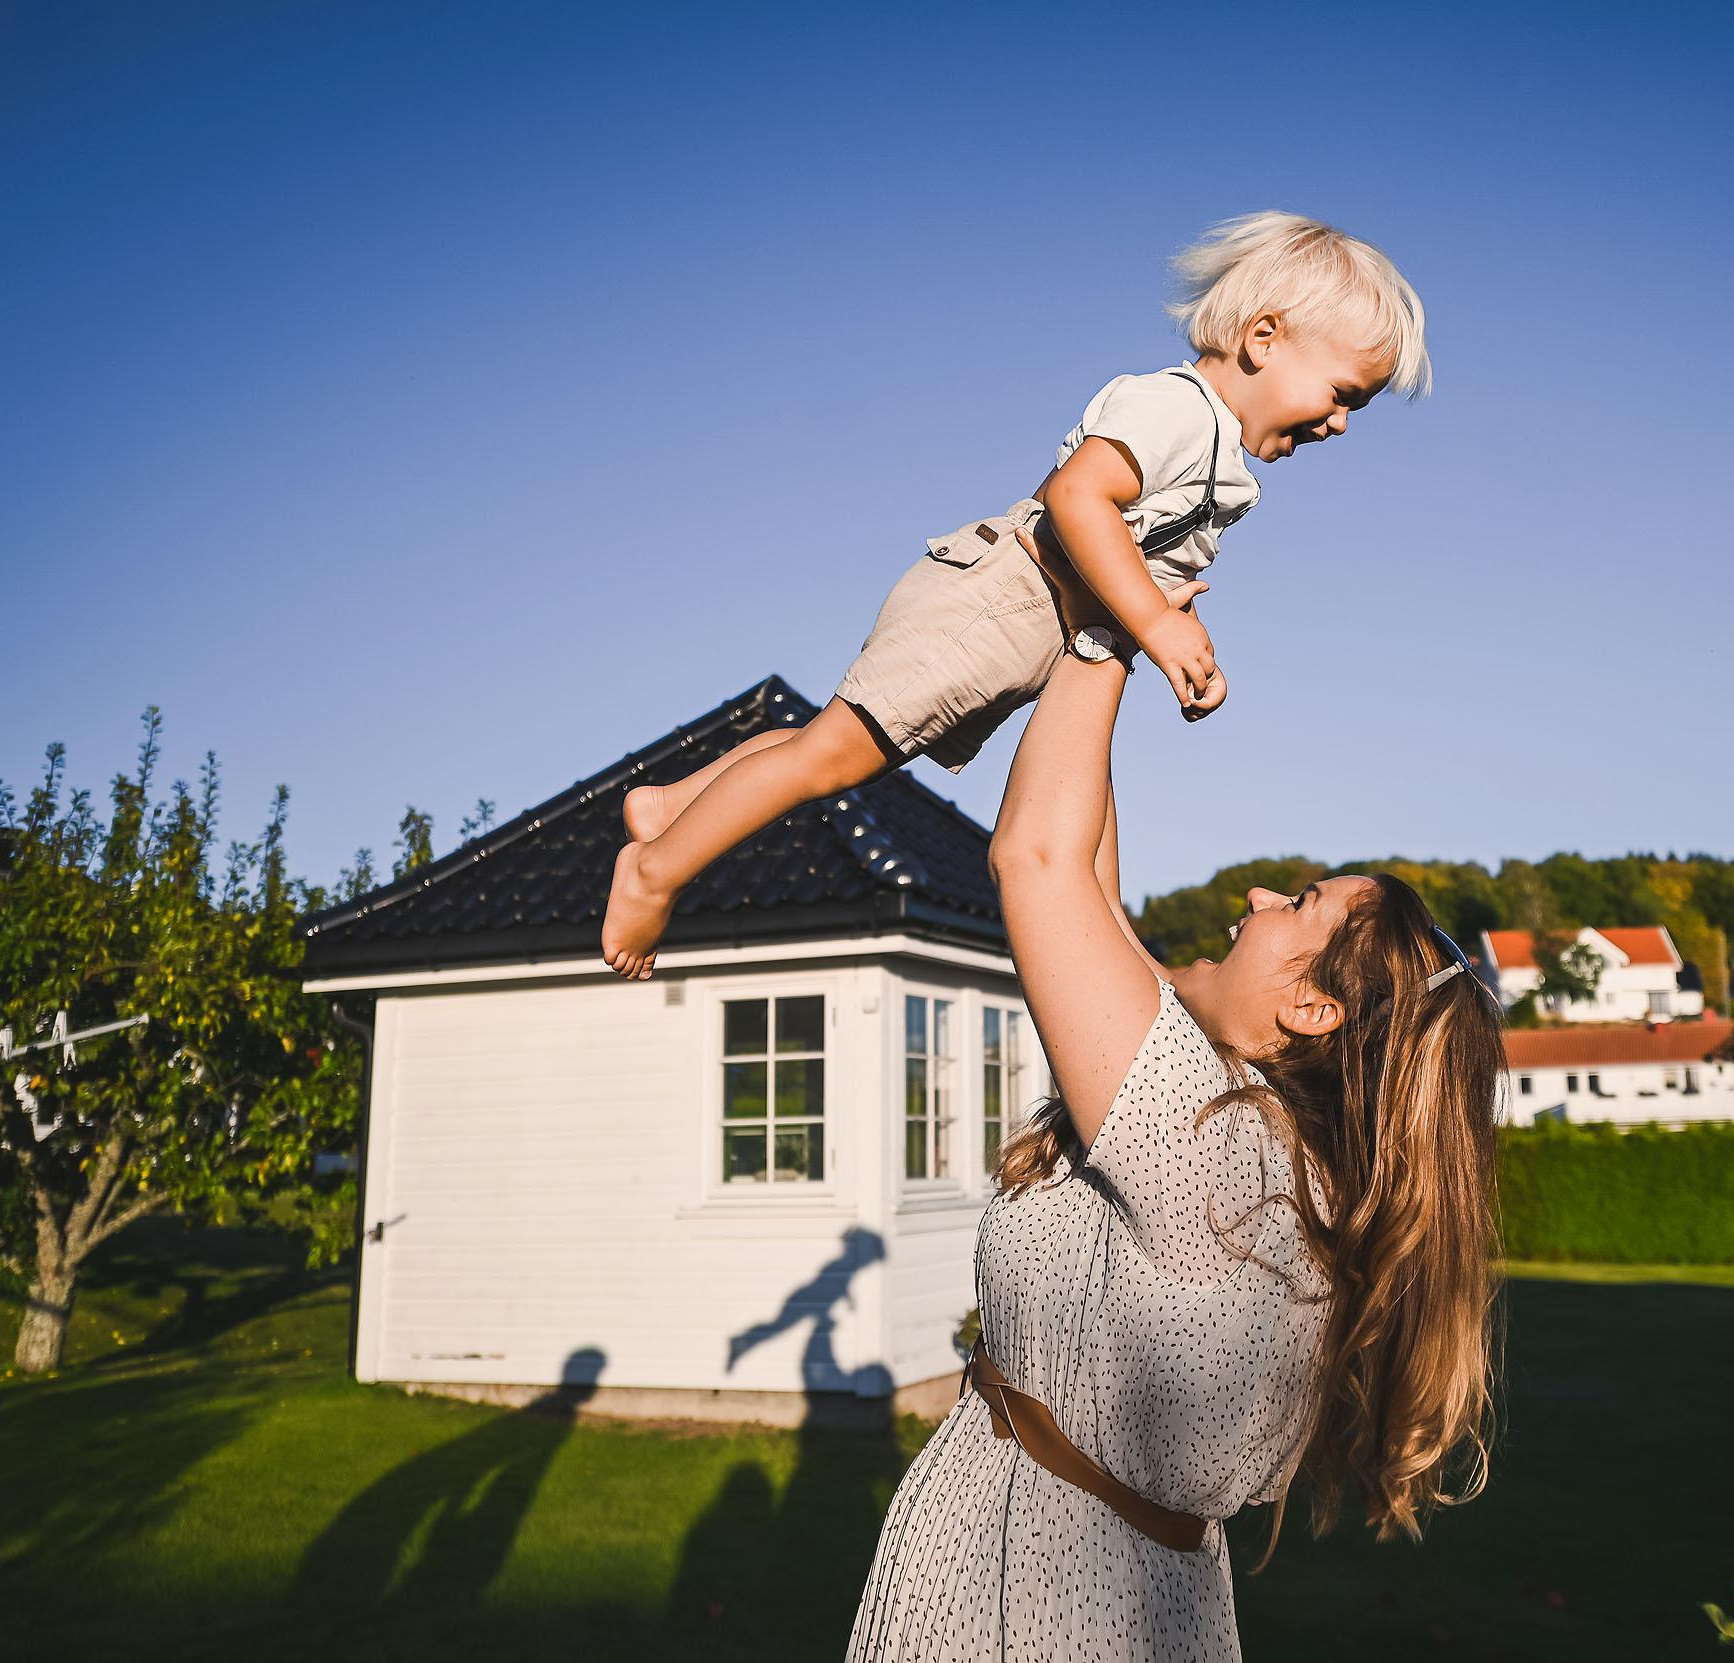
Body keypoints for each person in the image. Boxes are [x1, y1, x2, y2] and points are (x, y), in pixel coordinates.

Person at [843, 570, 1506, 1660]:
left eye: (1294, 905)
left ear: (1310, 1005)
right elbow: (1091, 889)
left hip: (1038, 1605)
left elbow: (1038, 862)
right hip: (1086, 1588)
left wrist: (1104, 615)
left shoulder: (1221, 1152)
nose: (1255, 898)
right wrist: (1105, 585)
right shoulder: (1254, 1142)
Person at [600, 210, 1431, 978]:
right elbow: (1075, 499)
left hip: (1026, 624)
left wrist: (1184, 633)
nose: (1342, 424)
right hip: (1002, 598)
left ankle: (671, 804)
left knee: (842, 744)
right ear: (1262, 338)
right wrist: (1153, 623)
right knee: (830, 758)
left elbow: (1147, 559)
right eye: (1342, 395)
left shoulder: (1220, 459)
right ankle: (655, 869)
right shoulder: (1177, 410)